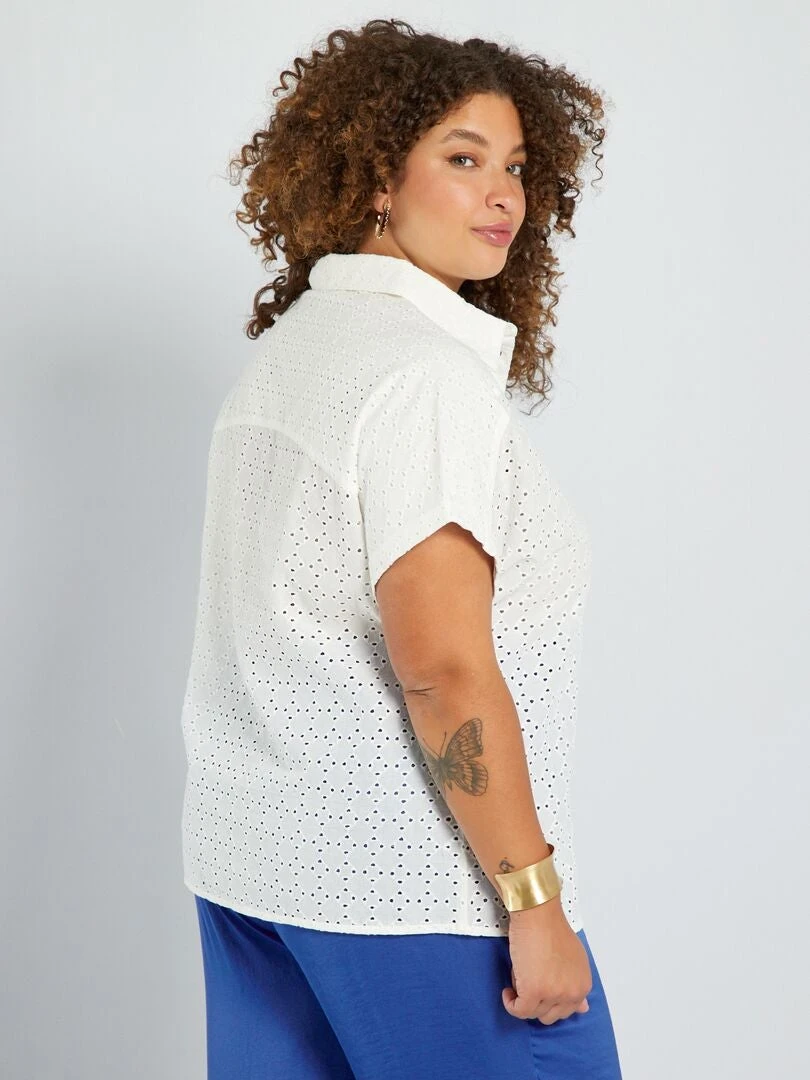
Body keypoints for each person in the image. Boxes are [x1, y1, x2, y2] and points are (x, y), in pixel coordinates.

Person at [180, 16, 623, 1079]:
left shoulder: (293, 354)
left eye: (517, 166)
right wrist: (533, 900)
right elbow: (442, 668)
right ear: (377, 176)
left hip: (255, 871)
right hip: (411, 891)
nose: (503, 195)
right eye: (463, 160)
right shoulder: (422, 378)